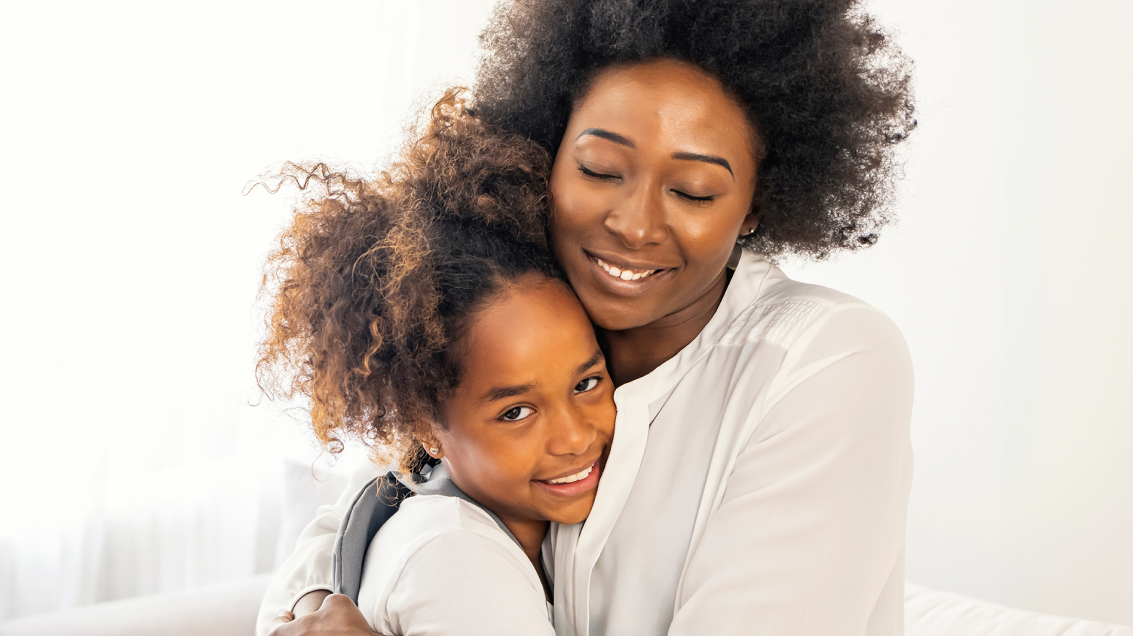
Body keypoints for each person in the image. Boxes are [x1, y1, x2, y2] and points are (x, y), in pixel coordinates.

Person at [260, 0, 917, 635]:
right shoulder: (540, 310)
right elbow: (373, 506)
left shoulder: (825, 361)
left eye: (693, 191)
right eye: (601, 170)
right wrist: (321, 598)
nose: (632, 226)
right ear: (551, 153)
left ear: (754, 206)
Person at [256, 91, 617, 635]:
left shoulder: (436, 502)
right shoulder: (459, 555)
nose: (573, 436)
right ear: (426, 428)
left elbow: (338, 524)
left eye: (586, 381)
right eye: (516, 412)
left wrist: (310, 596)